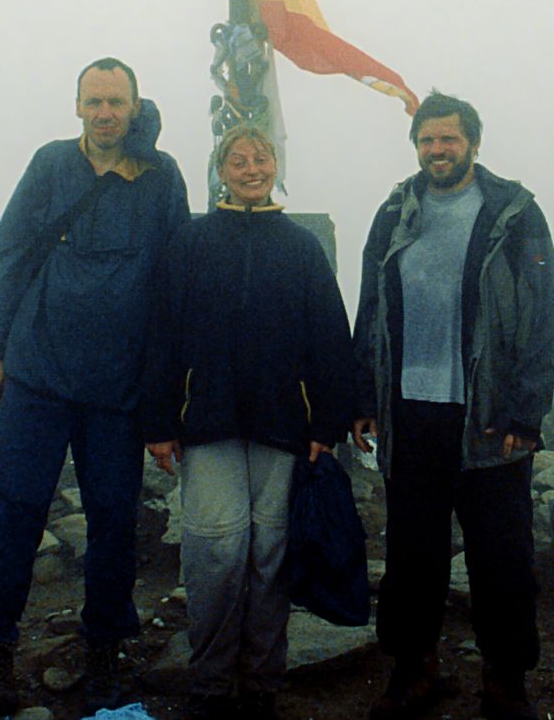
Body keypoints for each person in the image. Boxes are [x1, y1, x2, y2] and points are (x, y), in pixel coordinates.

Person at [0, 57, 190, 717]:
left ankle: (105, 649)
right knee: (14, 514)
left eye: (116, 102)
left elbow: (175, 283)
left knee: (115, 523)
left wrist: (166, 388)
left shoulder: (161, 175)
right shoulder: (52, 164)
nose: (105, 113)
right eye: (94, 102)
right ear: (78, 107)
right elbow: (8, 254)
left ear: (136, 106)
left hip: (117, 388)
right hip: (37, 373)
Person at [352, 91, 554, 720]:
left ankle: (506, 680)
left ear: (473, 142)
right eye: (426, 141)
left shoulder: (515, 214)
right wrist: (364, 397)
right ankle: (414, 671)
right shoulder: (394, 211)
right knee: (413, 555)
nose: (437, 151)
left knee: (502, 555)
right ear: (415, 146)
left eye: (448, 139)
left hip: (488, 417)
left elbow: (542, 315)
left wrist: (526, 414)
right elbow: (371, 308)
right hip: (411, 413)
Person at [141, 126, 353, 720]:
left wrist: (326, 424)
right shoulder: (191, 242)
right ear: (221, 170)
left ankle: (261, 681)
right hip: (205, 424)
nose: (250, 167)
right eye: (238, 159)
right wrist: (159, 422)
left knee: (270, 555)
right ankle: (210, 681)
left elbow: (329, 339)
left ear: (275, 166)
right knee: (216, 554)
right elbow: (162, 338)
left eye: (260, 158)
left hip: (285, 427)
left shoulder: (302, 247)